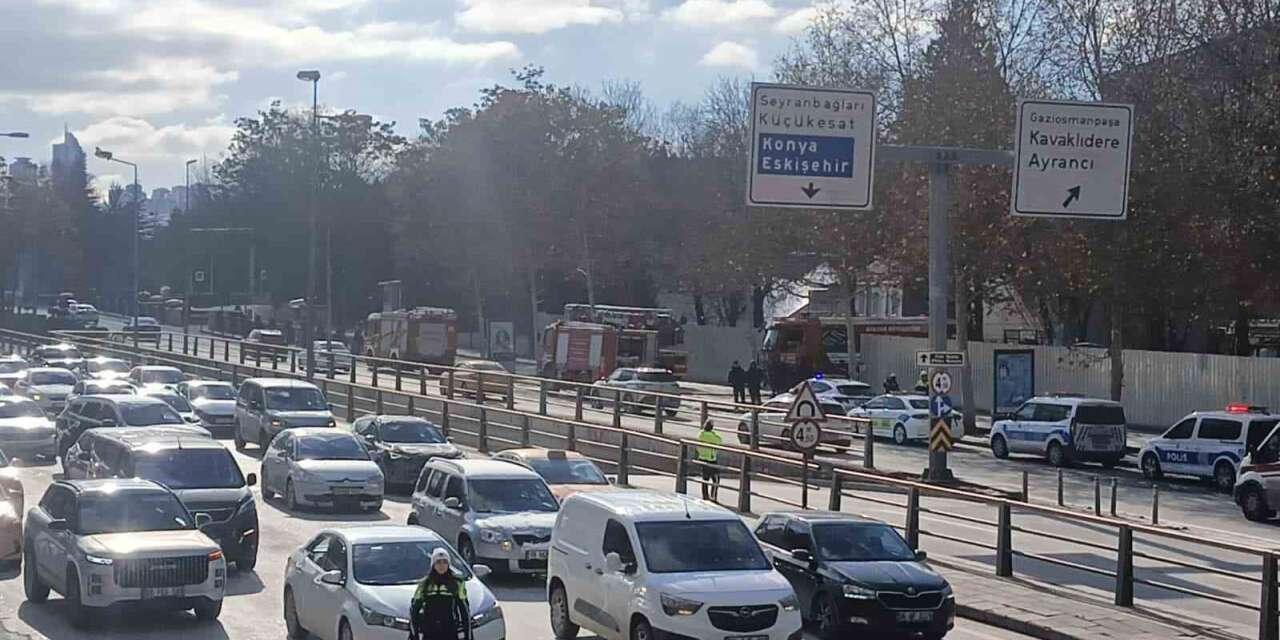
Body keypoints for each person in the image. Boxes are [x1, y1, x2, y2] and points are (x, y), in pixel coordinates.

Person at [410, 547, 471, 640]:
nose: (441, 565)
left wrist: (468, 636)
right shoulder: (425, 584)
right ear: (433, 564)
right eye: (438, 562)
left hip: (450, 631)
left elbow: (465, 612)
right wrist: (415, 635)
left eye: (445, 562)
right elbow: (414, 611)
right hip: (430, 632)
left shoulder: (457, 583)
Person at [696, 420, 723, 502]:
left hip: (702, 457)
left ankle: (705, 496)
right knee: (716, 479)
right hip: (711, 459)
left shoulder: (700, 434)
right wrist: (714, 433)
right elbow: (719, 440)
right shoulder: (711, 436)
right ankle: (713, 497)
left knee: (705, 478)